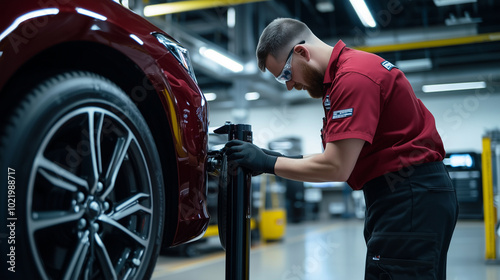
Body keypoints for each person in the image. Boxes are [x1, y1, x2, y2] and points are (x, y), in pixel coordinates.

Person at [225, 18, 459, 280]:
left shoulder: (352, 78)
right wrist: (272, 157)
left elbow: (336, 167)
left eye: (286, 75)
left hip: (409, 198)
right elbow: (337, 157)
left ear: (301, 52)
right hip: (407, 195)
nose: (290, 85)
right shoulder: (344, 75)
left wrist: (269, 164)